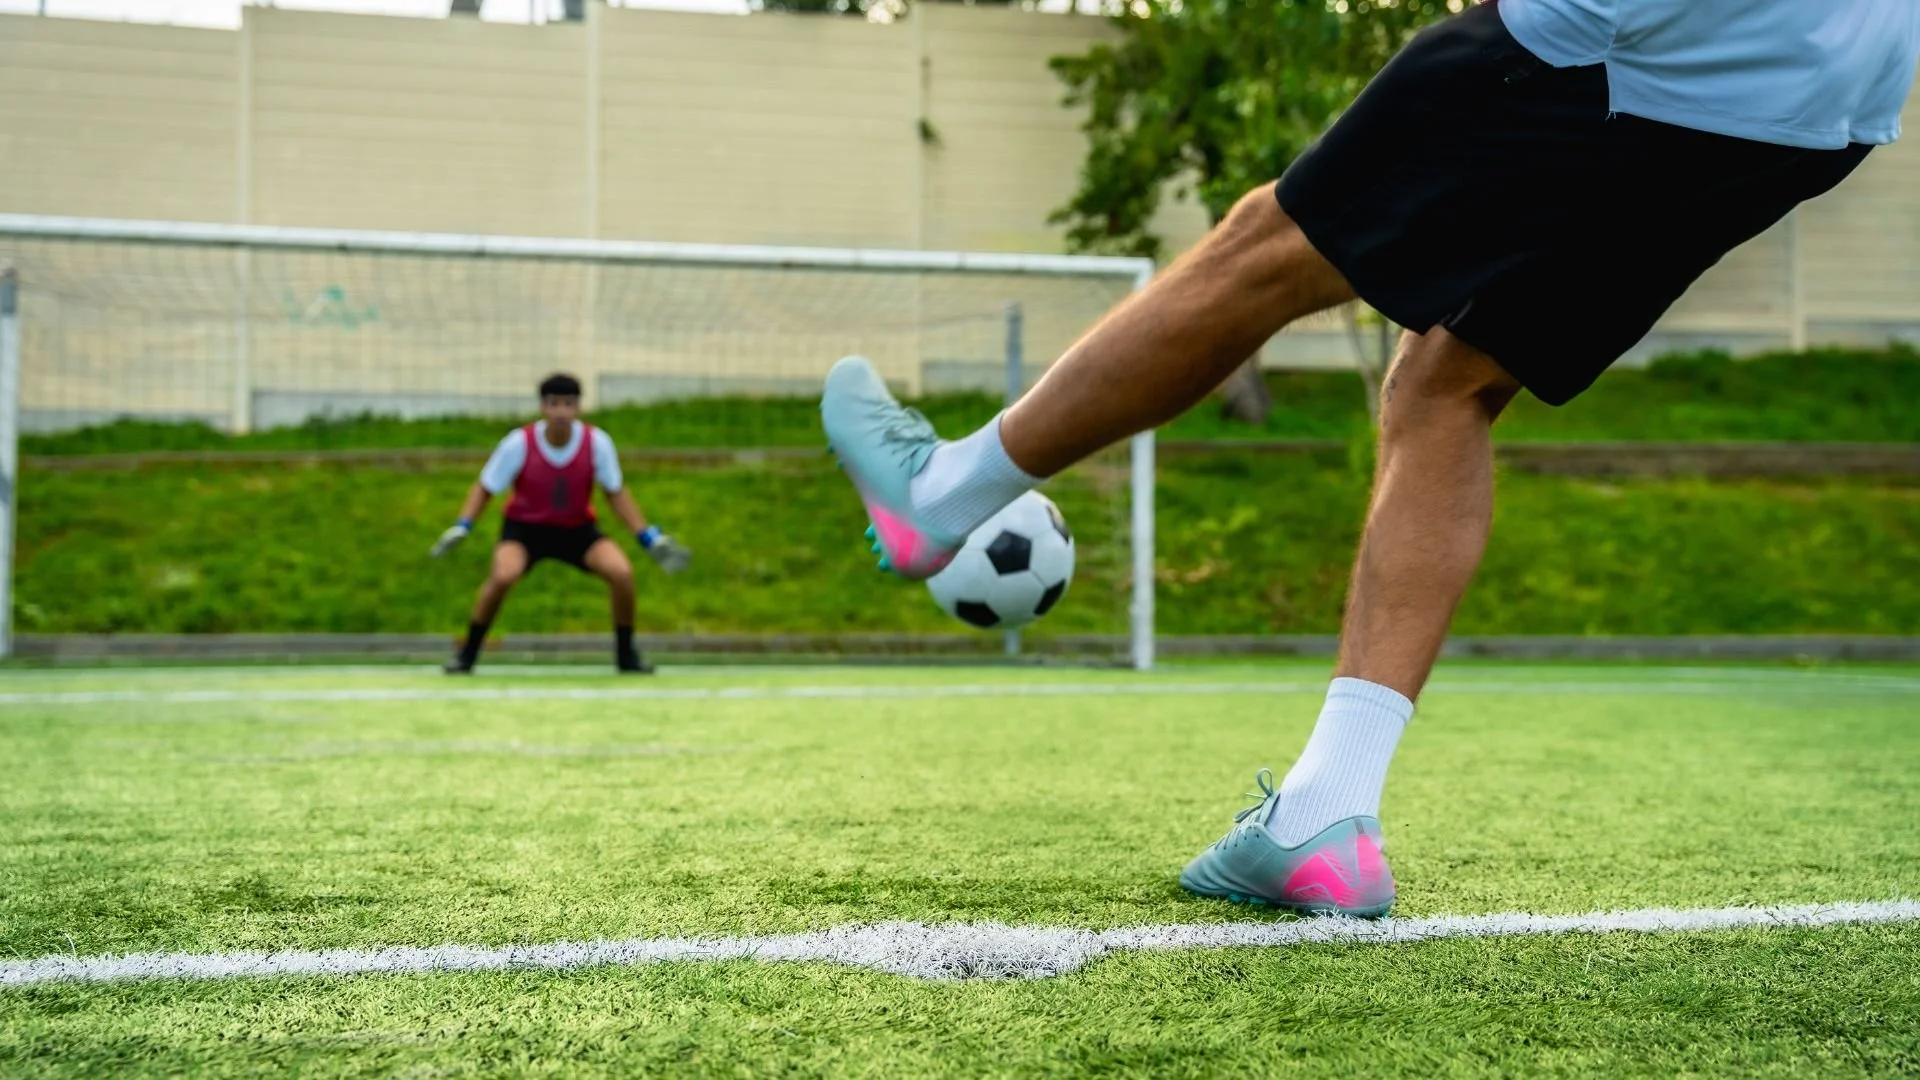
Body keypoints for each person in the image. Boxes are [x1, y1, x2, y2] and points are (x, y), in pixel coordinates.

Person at [822, 0, 1920, 916]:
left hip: (1654, 27)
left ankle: (942, 493)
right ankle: (1324, 810)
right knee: (1451, 381)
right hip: (1833, 97)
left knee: (1274, 245)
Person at [431, 374, 690, 675]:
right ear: (543, 407)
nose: (561, 412)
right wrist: (463, 525)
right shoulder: (518, 443)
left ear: (578, 407)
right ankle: (468, 654)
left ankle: (626, 655)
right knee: (503, 575)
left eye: (568, 404)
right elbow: (486, 487)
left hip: (576, 530)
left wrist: (647, 537)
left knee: (621, 573)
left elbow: (615, 492)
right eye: (554, 404)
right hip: (525, 531)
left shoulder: (596, 442)